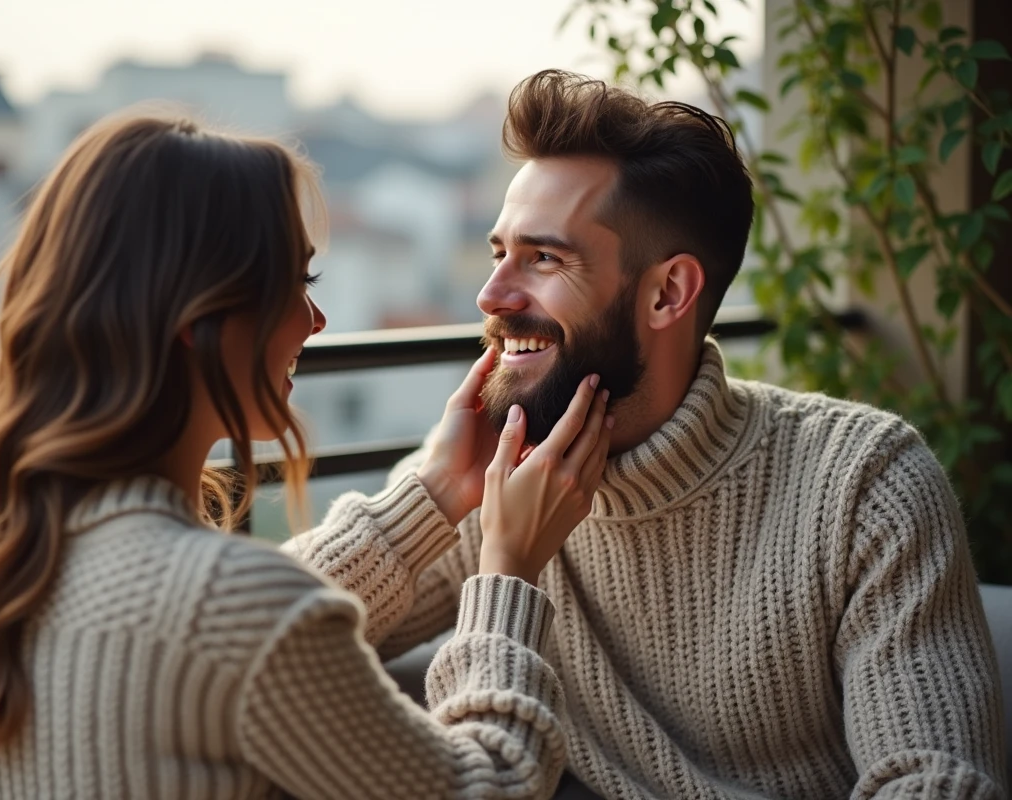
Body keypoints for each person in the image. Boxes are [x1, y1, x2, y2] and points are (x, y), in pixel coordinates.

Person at [294, 70, 1007, 798]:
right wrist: (436, 494)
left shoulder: (863, 484)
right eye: (497, 251)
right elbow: (253, 639)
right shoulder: (499, 481)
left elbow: (937, 781)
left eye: (544, 259)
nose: (491, 294)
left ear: (668, 292)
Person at [0, 111, 620, 799]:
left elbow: (233, 631)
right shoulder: (223, 601)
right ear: (200, 316)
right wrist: (507, 572)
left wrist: (434, 494)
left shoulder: (10, 555)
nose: (315, 319)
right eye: (298, 282)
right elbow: (488, 785)